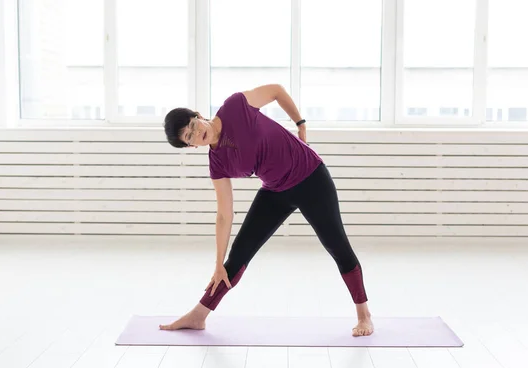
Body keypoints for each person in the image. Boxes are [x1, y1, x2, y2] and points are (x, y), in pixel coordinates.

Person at [159, 84, 374, 336]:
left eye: (194, 126)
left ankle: (364, 316)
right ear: (190, 147)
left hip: (311, 178)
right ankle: (199, 315)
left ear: (199, 116)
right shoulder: (217, 164)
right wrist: (218, 263)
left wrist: (300, 123)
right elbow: (224, 215)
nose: (197, 134)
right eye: (189, 137)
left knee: (336, 245)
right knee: (237, 257)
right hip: (275, 190)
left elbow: (275, 91)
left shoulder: (235, 106)